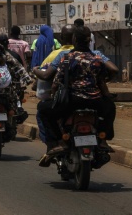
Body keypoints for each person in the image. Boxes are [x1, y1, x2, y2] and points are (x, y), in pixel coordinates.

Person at [37, 26, 117, 158]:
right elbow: (102, 83)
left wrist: (53, 96)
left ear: (74, 39)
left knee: (43, 109)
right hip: (95, 101)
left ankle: (59, 141)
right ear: (88, 41)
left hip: (72, 101)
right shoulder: (97, 59)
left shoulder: (67, 58)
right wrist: (107, 97)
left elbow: (56, 83)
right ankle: (103, 139)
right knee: (111, 108)